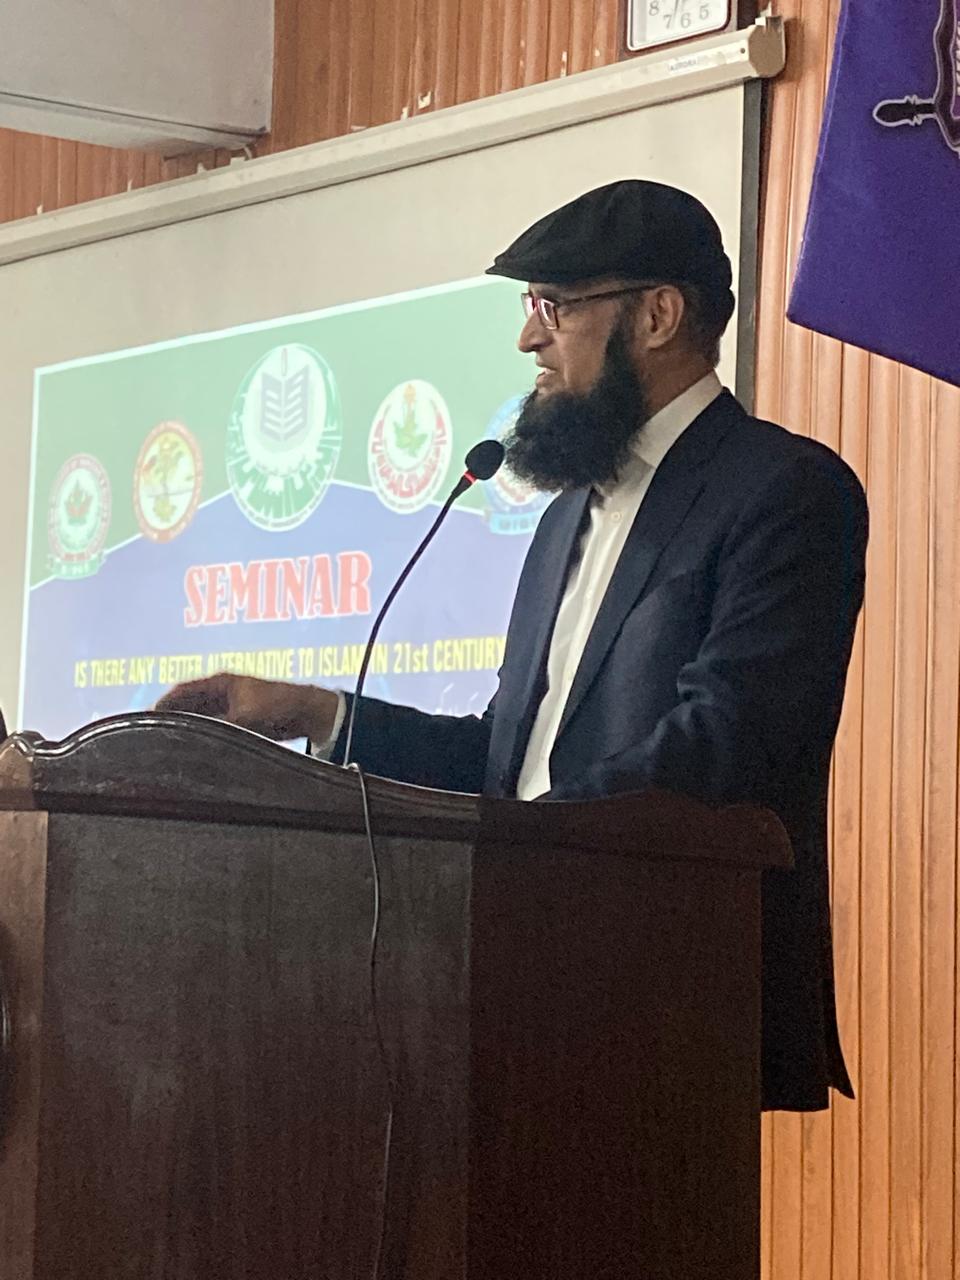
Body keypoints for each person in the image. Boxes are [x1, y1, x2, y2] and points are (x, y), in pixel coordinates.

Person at [157, 180, 868, 1112]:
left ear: (658, 316)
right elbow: (509, 760)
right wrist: (317, 714)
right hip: (518, 970)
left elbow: (728, 744)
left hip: (672, 990)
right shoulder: (566, 514)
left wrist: (515, 848)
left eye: (554, 306)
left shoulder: (785, 493)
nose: (528, 339)